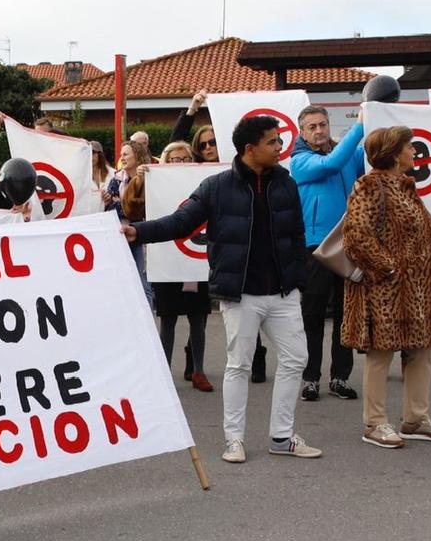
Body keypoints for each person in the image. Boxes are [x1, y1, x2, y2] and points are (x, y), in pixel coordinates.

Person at [127, 113, 321, 465]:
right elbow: (181, 221)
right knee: (238, 366)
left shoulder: (286, 183)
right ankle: (234, 440)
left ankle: (281, 436)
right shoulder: (216, 187)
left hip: (283, 293)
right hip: (240, 293)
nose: (280, 147)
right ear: (251, 148)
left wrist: (296, 280)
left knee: (296, 360)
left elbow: (296, 235)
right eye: (273, 142)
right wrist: (138, 231)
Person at [341, 127, 431, 447]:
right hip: (385, 290)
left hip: (415, 290)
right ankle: (374, 424)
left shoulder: (405, 187)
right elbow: (357, 236)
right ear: (393, 152)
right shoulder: (369, 185)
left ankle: (415, 419)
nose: (415, 152)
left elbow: (421, 231)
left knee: (422, 351)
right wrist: (389, 269)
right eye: (409, 147)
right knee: (380, 355)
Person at [287, 103, 366, 402]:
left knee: (346, 314)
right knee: (313, 314)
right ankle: (310, 378)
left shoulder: (346, 154)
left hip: (348, 242)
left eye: (323, 125)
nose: (319, 131)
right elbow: (331, 165)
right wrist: (359, 126)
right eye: (313, 127)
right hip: (315, 245)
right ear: (302, 132)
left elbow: (371, 157)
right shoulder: (300, 160)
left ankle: (340, 377)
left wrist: (377, 117)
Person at [148, 143, 213, 391]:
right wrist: (141, 179)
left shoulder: (202, 181)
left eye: (184, 158)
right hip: (167, 262)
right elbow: (133, 203)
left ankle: (198, 370)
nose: (179, 162)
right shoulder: (154, 181)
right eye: (173, 159)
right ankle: (164, 374)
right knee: (168, 320)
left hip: (196, 261)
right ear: (165, 160)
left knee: (199, 319)